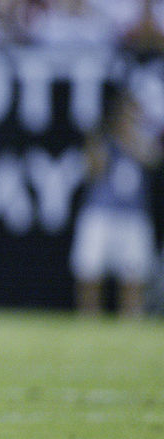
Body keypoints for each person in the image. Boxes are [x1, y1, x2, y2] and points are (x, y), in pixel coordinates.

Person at [69, 90, 161, 316]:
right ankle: (88, 319)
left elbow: (153, 160)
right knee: (90, 272)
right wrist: (105, 141)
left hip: (133, 215)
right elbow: (92, 171)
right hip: (100, 212)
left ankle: (131, 320)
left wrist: (131, 140)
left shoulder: (143, 139)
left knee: (133, 274)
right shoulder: (102, 138)